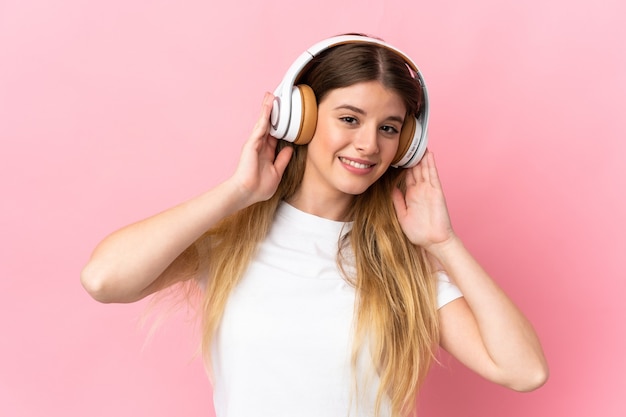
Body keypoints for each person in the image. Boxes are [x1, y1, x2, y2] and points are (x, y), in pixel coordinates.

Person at [81, 34, 548, 417]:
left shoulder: (405, 268)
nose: (368, 144)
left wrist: (444, 243)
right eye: (349, 118)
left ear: (405, 142)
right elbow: (103, 280)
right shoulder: (233, 242)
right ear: (299, 119)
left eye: (389, 128)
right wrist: (237, 192)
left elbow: (524, 371)